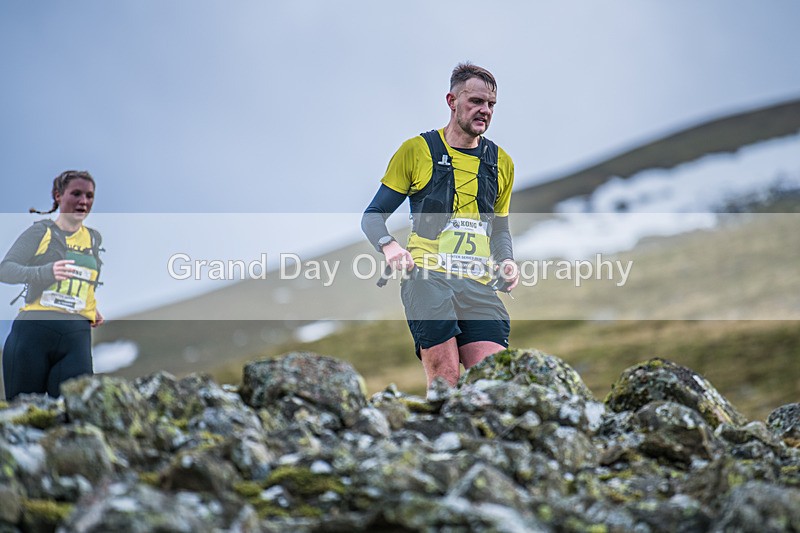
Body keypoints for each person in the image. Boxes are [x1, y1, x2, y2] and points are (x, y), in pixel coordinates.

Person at [361, 62, 519, 394]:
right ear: (452, 100)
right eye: (475, 101)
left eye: (491, 104)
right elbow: (373, 215)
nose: (484, 111)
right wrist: (390, 246)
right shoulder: (417, 151)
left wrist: (507, 260)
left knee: (494, 386)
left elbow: (500, 229)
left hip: (478, 285)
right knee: (446, 381)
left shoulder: (501, 163)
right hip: (427, 278)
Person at [1, 170, 104, 400]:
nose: (83, 201)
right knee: (25, 417)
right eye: (76, 194)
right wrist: (45, 272)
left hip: (76, 337)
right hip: (34, 333)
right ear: (58, 196)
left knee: (75, 416)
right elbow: (6, 269)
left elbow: (82, 277)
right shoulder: (42, 231)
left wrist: (91, 307)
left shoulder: (93, 238)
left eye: (89, 196)